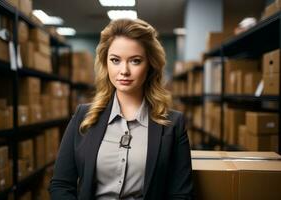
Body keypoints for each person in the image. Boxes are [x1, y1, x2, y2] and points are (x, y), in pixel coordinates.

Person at [49, 18, 194, 200]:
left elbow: (180, 195)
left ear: (150, 65)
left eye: (135, 61)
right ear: (105, 63)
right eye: (115, 60)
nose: (124, 70)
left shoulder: (173, 124)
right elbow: (61, 184)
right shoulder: (83, 116)